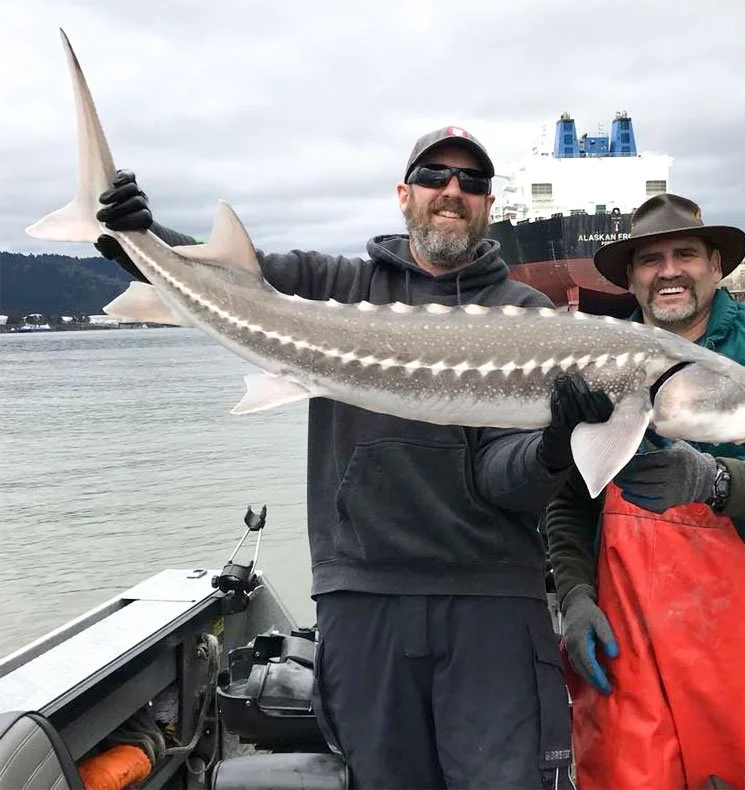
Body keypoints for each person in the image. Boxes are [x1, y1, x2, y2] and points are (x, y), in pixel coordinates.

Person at [93, 126, 615, 789]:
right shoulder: (334, 285)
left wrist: (554, 445)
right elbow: (229, 277)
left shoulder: (526, 315)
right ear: (404, 195)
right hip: (362, 596)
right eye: (434, 177)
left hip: (490, 602)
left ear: (489, 206)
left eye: (472, 183)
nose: (452, 192)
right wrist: (143, 234)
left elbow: (507, 483)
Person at [545, 192, 745, 789]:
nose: (668, 270)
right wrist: (576, 595)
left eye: (685, 253)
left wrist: (719, 481)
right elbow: (568, 499)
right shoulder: (596, 357)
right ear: (632, 279)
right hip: (628, 652)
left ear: (716, 266)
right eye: (649, 259)